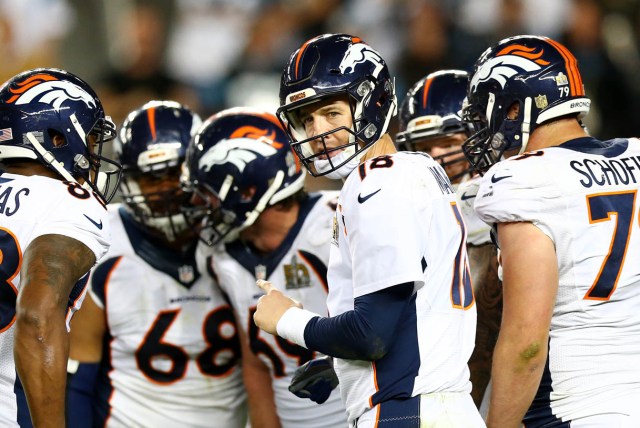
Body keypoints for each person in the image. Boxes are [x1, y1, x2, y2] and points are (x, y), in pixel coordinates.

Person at [254, 33, 484, 427]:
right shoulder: (417, 169)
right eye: (305, 119)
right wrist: (339, 361)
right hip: (437, 405)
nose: (317, 132)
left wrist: (286, 319)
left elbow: (371, 334)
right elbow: (409, 314)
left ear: (372, 103)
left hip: (407, 411)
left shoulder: (376, 182)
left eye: (331, 113)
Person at [462, 34, 640, 427]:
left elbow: (526, 342)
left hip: (577, 406)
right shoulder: (636, 154)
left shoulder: (523, 179)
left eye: (487, 111)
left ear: (514, 108)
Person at [66, 101, 247, 427]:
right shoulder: (102, 240)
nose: (165, 190)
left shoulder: (236, 233)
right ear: (130, 182)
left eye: (174, 173)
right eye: (152, 178)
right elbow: (78, 378)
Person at [182, 107, 347, 428]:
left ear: (249, 189)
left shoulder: (336, 222)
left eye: (209, 191)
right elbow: (256, 360)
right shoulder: (222, 256)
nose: (198, 204)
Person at [0, 67, 121, 427]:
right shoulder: (68, 201)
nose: (93, 152)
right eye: (91, 137)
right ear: (57, 137)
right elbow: (38, 312)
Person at [397, 69, 502, 411]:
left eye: (448, 143)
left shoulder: (503, 195)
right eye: (424, 148)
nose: (437, 157)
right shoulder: (410, 207)